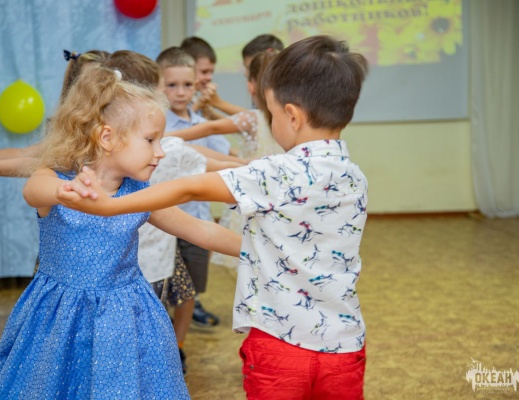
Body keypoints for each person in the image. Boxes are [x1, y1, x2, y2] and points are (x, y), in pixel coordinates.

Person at [58, 34, 370, 400]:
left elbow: (190, 188)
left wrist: (109, 205)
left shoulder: (277, 172)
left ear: (292, 116)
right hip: (345, 346)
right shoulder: (355, 177)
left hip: (281, 345)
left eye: (271, 114)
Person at [0, 66, 241, 399]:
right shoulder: (57, 178)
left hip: (125, 321)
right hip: (59, 320)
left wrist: (261, 250)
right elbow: (34, 190)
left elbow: (201, 230)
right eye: (150, 140)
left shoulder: (139, 194)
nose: (161, 151)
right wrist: (65, 192)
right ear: (107, 138)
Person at [166, 49, 284, 269]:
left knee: (253, 254)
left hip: (248, 193)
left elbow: (211, 128)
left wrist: (162, 137)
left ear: (251, 85)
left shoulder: (253, 117)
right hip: (277, 195)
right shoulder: (285, 119)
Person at [0, 50, 110, 179]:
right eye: (89, 83)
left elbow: (39, 165)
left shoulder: (109, 128)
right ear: (73, 90)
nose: (97, 89)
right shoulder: (75, 128)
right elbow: (26, 154)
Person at [156, 46, 228, 328]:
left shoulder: (203, 123)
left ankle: (180, 342)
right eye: (172, 85)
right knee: (162, 288)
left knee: (189, 291)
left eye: (188, 85)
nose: (181, 92)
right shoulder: (157, 125)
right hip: (165, 223)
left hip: (198, 219)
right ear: (159, 85)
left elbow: (221, 156)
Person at [180, 36, 246, 119]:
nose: (209, 77)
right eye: (204, 72)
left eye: (211, 72)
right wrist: (197, 106)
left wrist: (209, 112)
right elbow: (178, 124)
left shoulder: (196, 98)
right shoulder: (176, 98)